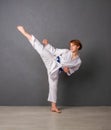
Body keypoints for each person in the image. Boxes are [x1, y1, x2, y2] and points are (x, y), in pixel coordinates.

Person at [17, 26, 82, 113]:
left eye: (73, 46)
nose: (71, 47)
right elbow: (55, 51)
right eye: (70, 45)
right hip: (52, 61)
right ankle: (25, 33)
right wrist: (47, 44)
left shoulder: (78, 61)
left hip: (56, 71)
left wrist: (68, 71)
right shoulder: (66, 51)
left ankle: (53, 107)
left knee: (53, 87)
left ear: (78, 47)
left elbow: (73, 70)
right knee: (41, 49)